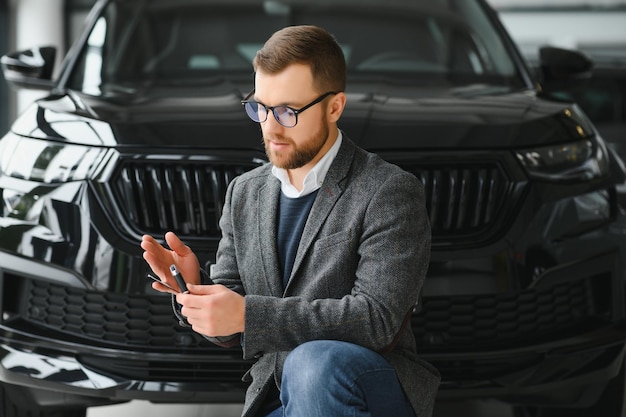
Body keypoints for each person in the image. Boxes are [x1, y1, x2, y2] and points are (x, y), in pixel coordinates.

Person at [140, 24, 440, 417]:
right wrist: (194, 290)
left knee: (312, 364)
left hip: (368, 388)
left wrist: (249, 313)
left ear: (335, 107)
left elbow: (377, 321)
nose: (271, 126)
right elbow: (231, 321)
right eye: (261, 107)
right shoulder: (244, 193)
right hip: (278, 393)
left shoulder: (388, 191)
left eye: (288, 111)